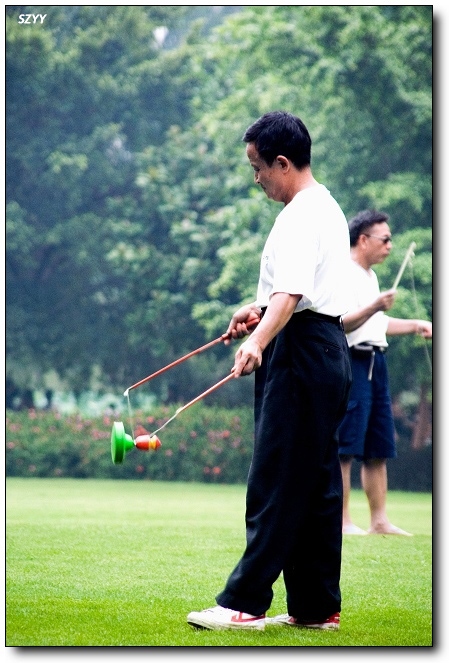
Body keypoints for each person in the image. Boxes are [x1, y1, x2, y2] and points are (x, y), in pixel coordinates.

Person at [186, 110, 352, 632]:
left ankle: (245, 603)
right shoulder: (327, 207)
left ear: (282, 162)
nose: (256, 178)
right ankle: (316, 607)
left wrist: (258, 340)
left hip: (301, 353)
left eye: (257, 168)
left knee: (277, 477)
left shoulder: (301, 215)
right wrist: (257, 312)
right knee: (316, 482)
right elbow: (298, 294)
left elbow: (294, 292)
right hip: (325, 348)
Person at [337, 209, 432, 536]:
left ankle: (379, 521)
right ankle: (343, 521)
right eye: (385, 239)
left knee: (378, 447)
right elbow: (341, 324)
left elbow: (378, 324)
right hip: (353, 362)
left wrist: (416, 325)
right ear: (363, 240)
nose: (390, 246)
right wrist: (375, 306)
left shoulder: (370, 277)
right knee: (345, 447)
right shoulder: (343, 273)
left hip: (377, 363)